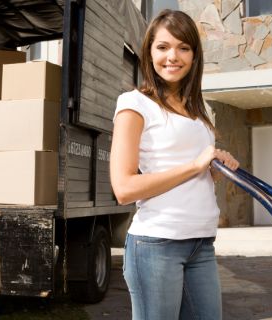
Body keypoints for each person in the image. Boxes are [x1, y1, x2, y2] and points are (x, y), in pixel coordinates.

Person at [109, 9, 239, 320]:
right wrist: (195, 166)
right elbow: (124, 188)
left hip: (201, 243)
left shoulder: (196, 110)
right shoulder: (134, 104)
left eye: (183, 47)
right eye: (163, 47)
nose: (173, 56)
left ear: (194, 56)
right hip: (157, 245)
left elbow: (187, 166)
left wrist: (212, 168)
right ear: (149, 52)